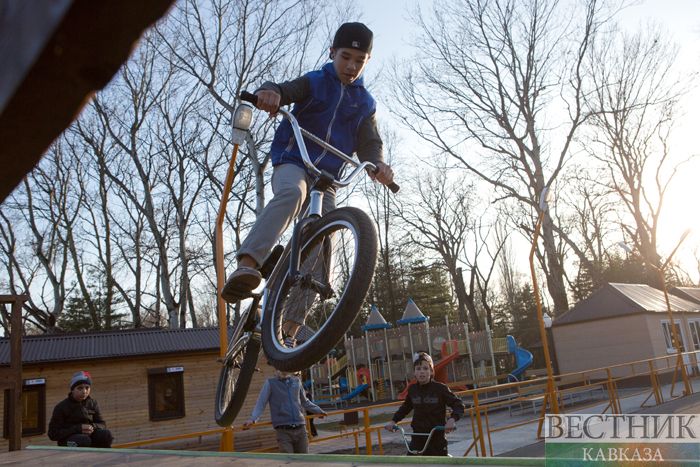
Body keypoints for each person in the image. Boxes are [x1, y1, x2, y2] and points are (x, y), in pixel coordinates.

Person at [221, 22, 395, 343]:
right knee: (292, 193)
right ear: (332, 54)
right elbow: (287, 90)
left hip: (326, 179)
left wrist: (378, 163)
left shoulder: (364, 103)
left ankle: (288, 335)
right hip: (295, 162)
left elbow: (369, 141)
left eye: (360, 60)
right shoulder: (317, 82)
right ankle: (248, 265)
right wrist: (270, 93)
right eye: (346, 57)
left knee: (322, 245)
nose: (351, 66)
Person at [385, 352, 464, 456]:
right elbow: (406, 407)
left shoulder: (440, 389)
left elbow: (458, 405)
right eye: (418, 369)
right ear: (414, 372)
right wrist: (393, 421)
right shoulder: (413, 390)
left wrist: (452, 419)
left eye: (425, 368)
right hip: (417, 436)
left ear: (431, 371)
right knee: (412, 462)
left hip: (436, 437)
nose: (422, 372)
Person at [243, 366, 326, 453]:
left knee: (303, 460)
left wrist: (318, 411)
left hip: (300, 429)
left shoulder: (296, 381)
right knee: (287, 461)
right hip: (283, 431)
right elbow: (261, 403)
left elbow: (305, 402)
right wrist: (252, 419)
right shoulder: (270, 383)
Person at [48, 371, 113, 448]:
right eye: (80, 388)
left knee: (106, 435)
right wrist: (78, 428)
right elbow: (53, 434)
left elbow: (102, 424)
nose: (84, 391)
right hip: (67, 441)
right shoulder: (61, 407)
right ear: (72, 390)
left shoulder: (92, 403)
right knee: (83, 440)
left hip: (88, 437)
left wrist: (92, 426)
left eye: (87, 388)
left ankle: (102, 458)